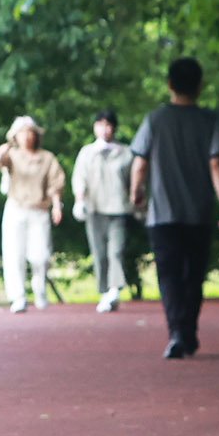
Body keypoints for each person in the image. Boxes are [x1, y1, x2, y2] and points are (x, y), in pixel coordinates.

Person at [129, 57, 219, 359]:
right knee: (194, 274)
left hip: (162, 214)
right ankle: (188, 331)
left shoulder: (154, 120)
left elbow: (140, 162)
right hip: (198, 212)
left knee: (170, 275)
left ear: (170, 84)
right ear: (201, 86)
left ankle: (177, 332)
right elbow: (217, 163)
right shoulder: (210, 121)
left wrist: (136, 190)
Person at [0, 115, 66, 312]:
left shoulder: (47, 158)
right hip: (16, 208)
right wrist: (4, 149)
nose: (27, 136)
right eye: (23, 133)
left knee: (40, 254)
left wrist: (57, 206)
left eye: (30, 132)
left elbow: (55, 184)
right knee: (14, 253)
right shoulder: (12, 156)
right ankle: (18, 296)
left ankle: (39, 288)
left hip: (39, 210)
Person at [71, 109, 136, 313]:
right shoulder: (87, 153)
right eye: (101, 124)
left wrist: (137, 201)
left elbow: (134, 181)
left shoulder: (125, 153)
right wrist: (79, 200)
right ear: (95, 127)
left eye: (109, 125)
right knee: (99, 253)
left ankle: (114, 289)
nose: (105, 129)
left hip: (118, 208)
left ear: (114, 128)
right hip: (94, 209)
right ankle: (105, 291)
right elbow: (80, 178)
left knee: (115, 251)